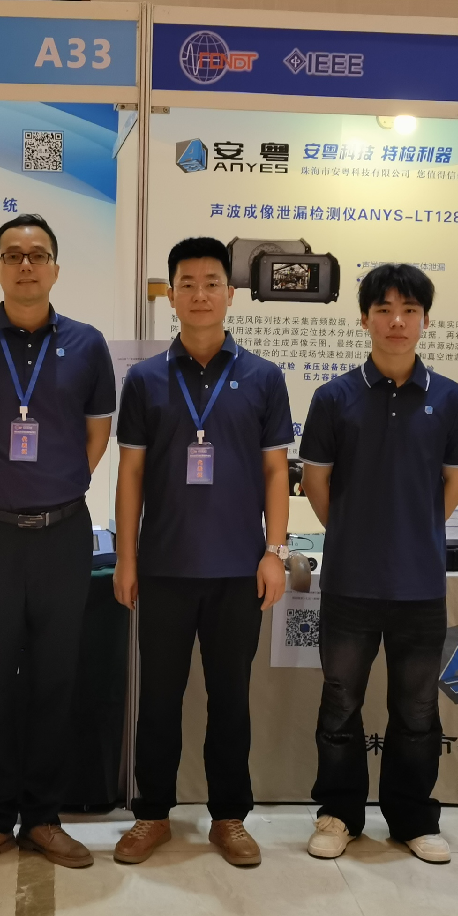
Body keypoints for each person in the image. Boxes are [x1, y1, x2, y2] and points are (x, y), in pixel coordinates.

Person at [0, 213, 118, 874]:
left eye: (37, 254)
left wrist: (57, 489)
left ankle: (42, 818)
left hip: (64, 535)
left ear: (55, 269)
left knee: (54, 681)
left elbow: (97, 435)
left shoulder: (88, 345)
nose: (26, 264)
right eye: (13, 255)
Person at [111, 236, 294, 868]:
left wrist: (274, 551)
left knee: (230, 700)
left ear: (230, 294)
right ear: (171, 295)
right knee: (159, 699)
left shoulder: (264, 378)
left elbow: (276, 471)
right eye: (186, 283)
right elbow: (131, 474)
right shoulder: (144, 380)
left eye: (211, 283)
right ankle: (152, 815)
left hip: (238, 570)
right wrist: (127, 558)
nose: (199, 294)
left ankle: (229, 817)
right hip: (163, 567)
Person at [298, 263, 458, 864]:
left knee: (418, 710)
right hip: (350, 581)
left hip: (420, 584)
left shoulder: (449, 398)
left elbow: (455, 482)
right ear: (364, 319)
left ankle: (412, 818)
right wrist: (353, 533)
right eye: (383, 309)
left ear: (425, 320)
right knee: (340, 702)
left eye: (409, 310)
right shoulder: (334, 397)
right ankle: (338, 814)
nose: (396, 321)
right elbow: (316, 482)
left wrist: (416, 532)